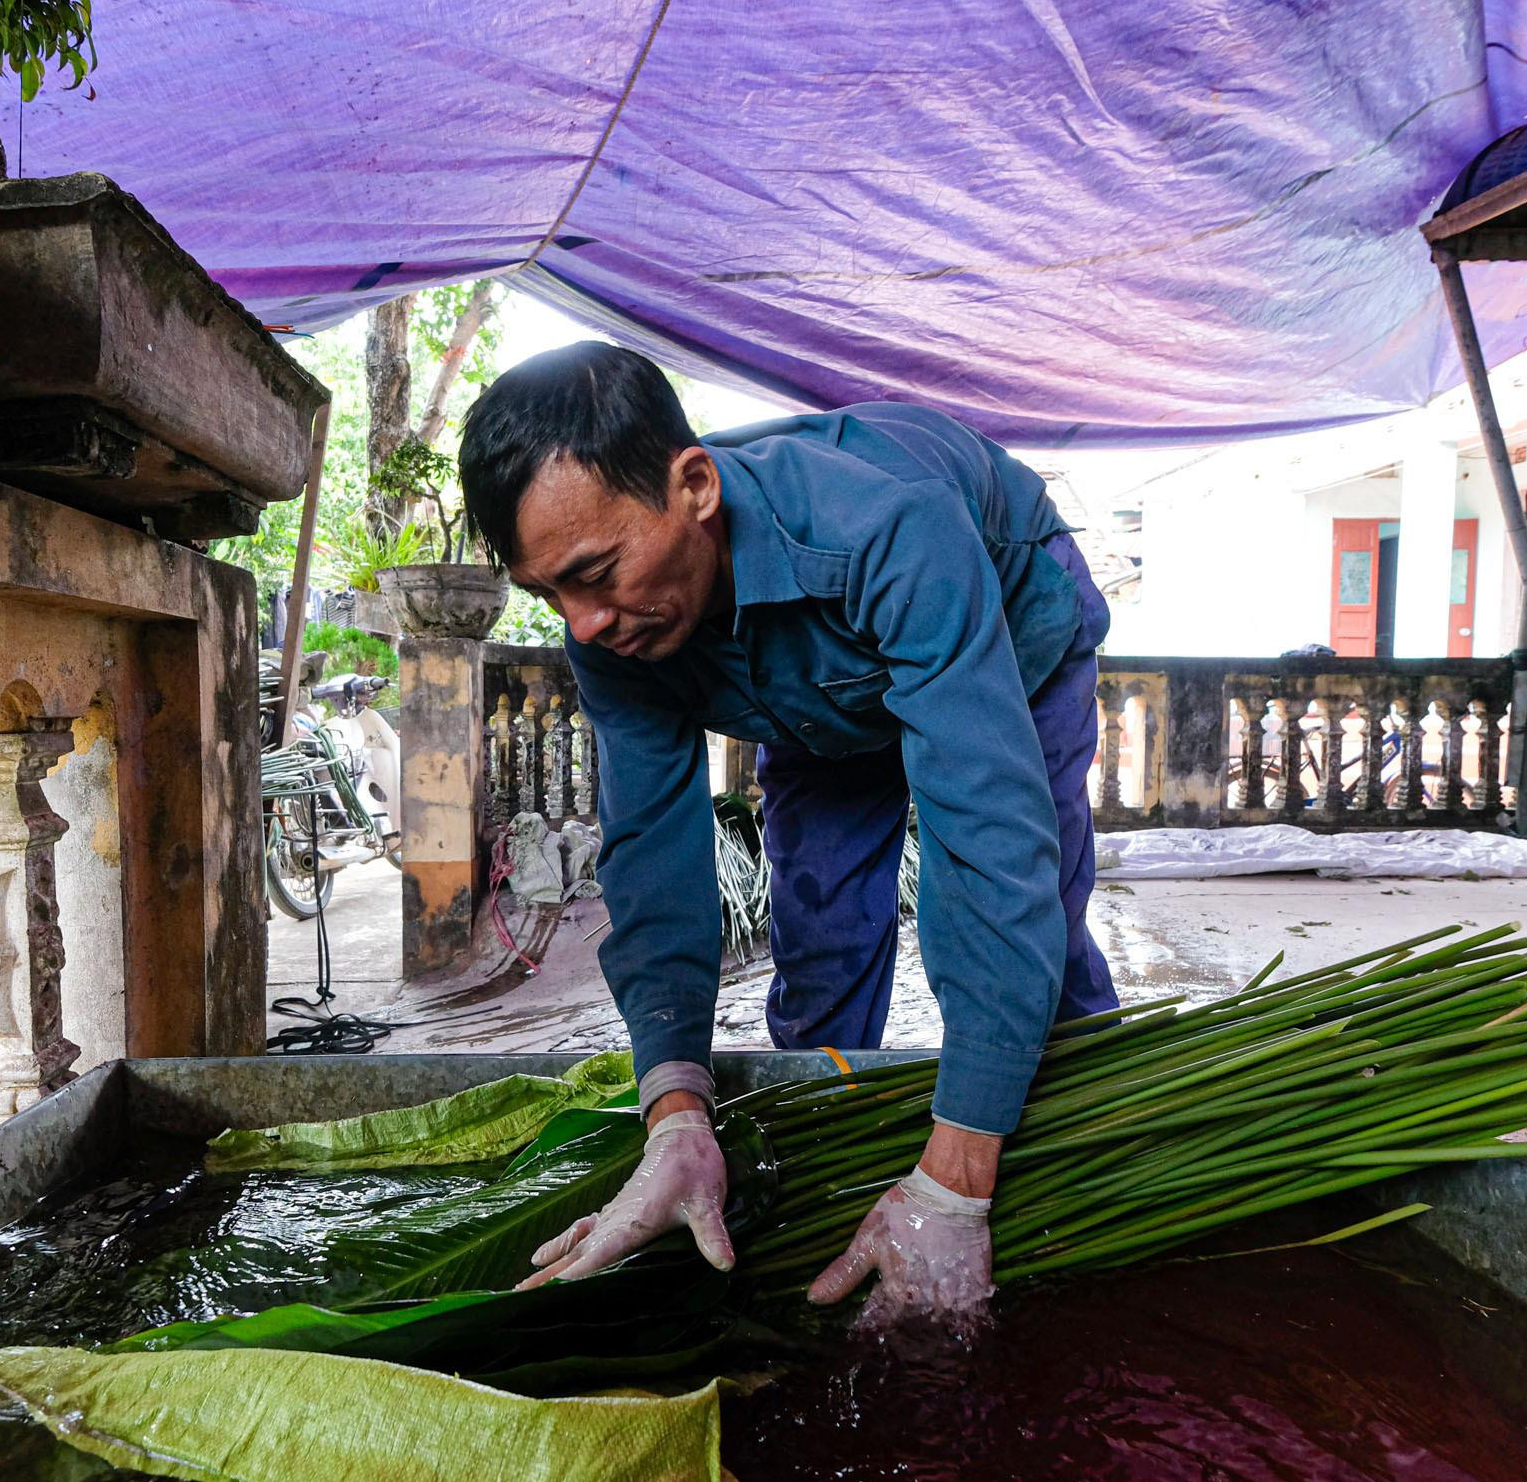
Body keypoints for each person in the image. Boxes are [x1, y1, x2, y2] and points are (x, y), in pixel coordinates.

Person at [457, 343, 1119, 1330]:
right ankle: (827, 1191)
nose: (582, 625)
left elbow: (985, 834)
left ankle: (1067, 1166)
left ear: (694, 486)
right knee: (820, 942)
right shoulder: (611, 624)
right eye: (550, 593)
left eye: (595, 575)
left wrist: (957, 1179)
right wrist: (672, 1104)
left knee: (1033, 931)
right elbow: (652, 855)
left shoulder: (890, 526)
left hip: (1000, 626)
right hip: (810, 688)